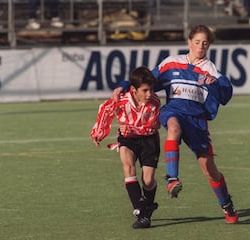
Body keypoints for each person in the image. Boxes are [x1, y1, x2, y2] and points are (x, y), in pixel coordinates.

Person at [112, 25, 239, 224]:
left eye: (205, 43)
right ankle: (172, 179)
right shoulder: (172, 63)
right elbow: (146, 78)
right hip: (174, 111)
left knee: (208, 168)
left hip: (196, 121)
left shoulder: (209, 68)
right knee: (173, 127)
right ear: (189, 42)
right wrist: (123, 85)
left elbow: (225, 95)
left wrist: (213, 83)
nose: (200, 46)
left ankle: (226, 203)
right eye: (196, 42)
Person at [90, 66, 161, 229]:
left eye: (150, 90)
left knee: (148, 180)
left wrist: (130, 128)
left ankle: (147, 206)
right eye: (145, 90)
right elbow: (105, 109)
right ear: (133, 89)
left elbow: (151, 128)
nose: (149, 94)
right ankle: (141, 212)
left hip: (149, 140)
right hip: (127, 140)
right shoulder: (122, 99)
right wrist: (98, 132)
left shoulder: (154, 102)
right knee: (128, 168)